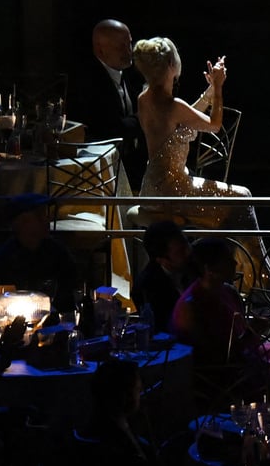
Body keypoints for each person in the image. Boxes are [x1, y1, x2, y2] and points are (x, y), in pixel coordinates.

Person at [133, 36, 248, 198]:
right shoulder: (174, 105)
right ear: (171, 64)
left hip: (152, 187)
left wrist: (211, 91)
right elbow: (214, 125)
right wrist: (218, 87)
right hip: (171, 191)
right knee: (243, 195)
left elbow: (183, 117)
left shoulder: (143, 99)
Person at [71, 18, 147, 187]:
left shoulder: (128, 72)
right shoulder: (88, 81)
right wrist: (144, 115)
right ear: (100, 50)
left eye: (130, 43)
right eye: (121, 46)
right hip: (99, 173)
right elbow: (111, 131)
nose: (130, 51)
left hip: (128, 163)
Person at [0, 197, 80, 309]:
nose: (46, 221)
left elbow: (70, 290)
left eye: (45, 215)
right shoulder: (3, 259)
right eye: (39, 217)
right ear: (21, 223)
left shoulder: (57, 252)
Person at [172, 237, 249, 368]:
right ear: (209, 269)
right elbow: (210, 354)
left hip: (237, 362)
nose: (235, 263)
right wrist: (248, 338)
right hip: (214, 374)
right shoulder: (191, 305)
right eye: (227, 260)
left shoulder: (230, 292)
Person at [133, 220, 190, 333]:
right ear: (161, 260)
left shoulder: (197, 266)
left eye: (187, 244)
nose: (188, 252)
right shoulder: (147, 287)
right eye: (181, 252)